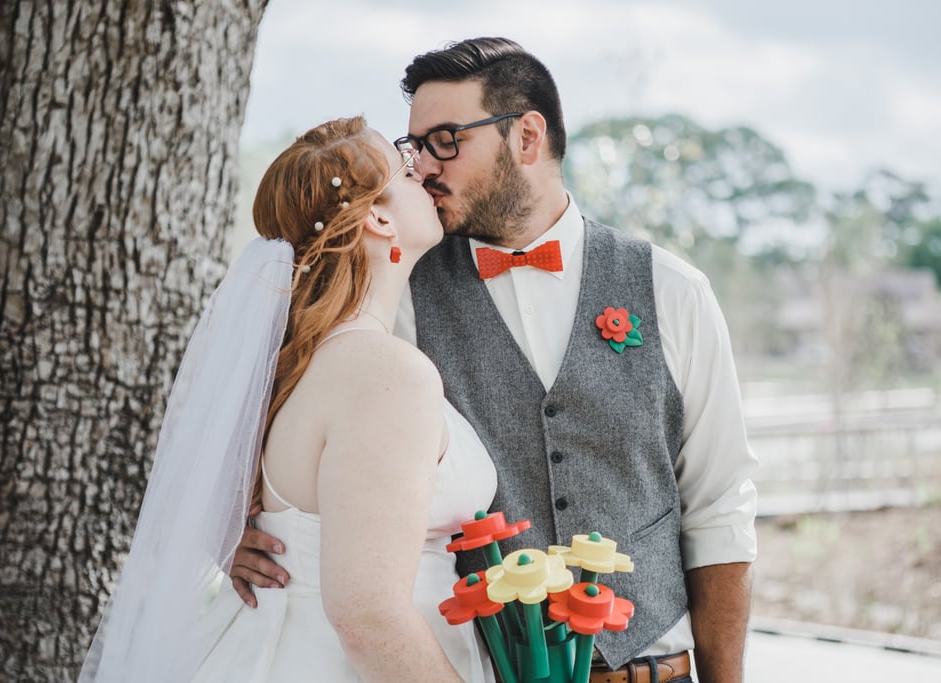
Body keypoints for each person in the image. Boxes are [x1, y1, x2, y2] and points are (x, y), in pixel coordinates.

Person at [232, 38, 757, 683]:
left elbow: (718, 509)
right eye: (415, 146)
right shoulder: (392, 299)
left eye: (446, 139)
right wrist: (239, 529)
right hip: (483, 668)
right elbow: (284, 426)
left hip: (655, 670)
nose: (423, 166)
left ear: (527, 136)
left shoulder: (673, 291)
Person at [80, 117, 496, 682]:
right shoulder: (385, 373)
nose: (423, 163)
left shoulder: (299, 362)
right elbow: (368, 617)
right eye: (405, 162)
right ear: (378, 216)